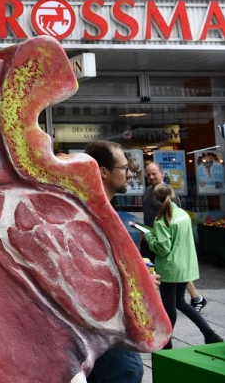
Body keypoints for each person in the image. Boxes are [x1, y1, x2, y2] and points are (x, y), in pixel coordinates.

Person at [84, 140, 144, 383]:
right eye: (124, 168)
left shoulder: (100, 213)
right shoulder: (95, 217)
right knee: (127, 373)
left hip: (106, 331)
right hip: (107, 331)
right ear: (104, 172)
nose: (129, 174)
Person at [144, 183, 223, 348]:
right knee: (180, 301)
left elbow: (163, 248)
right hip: (185, 265)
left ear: (156, 200)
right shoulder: (183, 214)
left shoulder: (160, 219)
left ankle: (166, 341)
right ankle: (209, 333)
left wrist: (149, 237)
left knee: (169, 305)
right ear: (172, 196)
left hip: (170, 268)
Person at [142, 162, 206, 311]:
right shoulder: (147, 191)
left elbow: (175, 218)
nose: (151, 177)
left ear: (161, 173)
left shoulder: (168, 193)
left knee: (172, 271)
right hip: (150, 238)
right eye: (148, 174)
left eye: (154, 173)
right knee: (148, 269)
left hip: (163, 240)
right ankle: (152, 302)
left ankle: (196, 297)